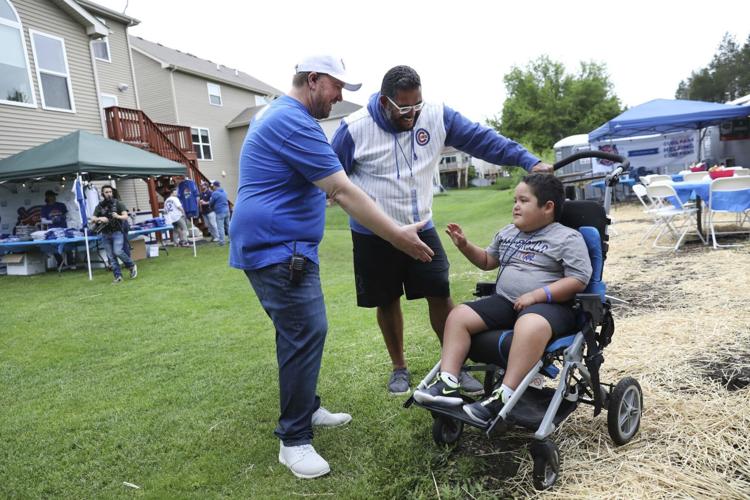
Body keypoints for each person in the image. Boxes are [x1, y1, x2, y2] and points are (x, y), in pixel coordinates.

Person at [229, 55, 434, 480]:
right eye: (337, 87)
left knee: (303, 331)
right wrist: (397, 235)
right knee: (304, 332)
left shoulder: (279, 113)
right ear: (313, 79)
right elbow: (341, 189)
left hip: (287, 246)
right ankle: (294, 440)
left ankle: (307, 406)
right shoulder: (294, 121)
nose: (340, 97)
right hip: (277, 247)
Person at [331, 65, 553, 395]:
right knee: (387, 300)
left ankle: (455, 364)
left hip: (421, 225)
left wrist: (527, 160)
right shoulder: (353, 130)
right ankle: (399, 368)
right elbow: (329, 178)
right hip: (373, 234)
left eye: (417, 105)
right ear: (384, 102)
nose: (412, 114)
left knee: (440, 292)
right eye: (404, 108)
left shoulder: (436, 116)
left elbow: (482, 140)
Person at [413, 174, 592, 426]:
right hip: (508, 302)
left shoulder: (567, 238)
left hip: (551, 307)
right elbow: (487, 261)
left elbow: (578, 279)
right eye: (514, 200)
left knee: (529, 325)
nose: (515, 206)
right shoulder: (509, 233)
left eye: (523, 200)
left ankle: (503, 395)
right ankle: (447, 383)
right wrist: (465, 246)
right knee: (458, 315)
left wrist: (537, 295)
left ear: (548, 207)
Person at [91, 185, 137, 283]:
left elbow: (125, 216)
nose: (109, 194)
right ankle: (118, 277)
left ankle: (131, 265)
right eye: (106, 192)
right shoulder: (99, 206)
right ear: (103, 194)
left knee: (118, 251)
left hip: (117, 232)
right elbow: (92, 219)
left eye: (110, 192)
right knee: (111, 256)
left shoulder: (118, 203)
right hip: (105, 234)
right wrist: (100, 219)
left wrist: (117, 216)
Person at [209, 181, 230, 246]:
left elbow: (211, 202)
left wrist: (211, 207)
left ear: (215, 186)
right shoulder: (224, 192)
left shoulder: (215, 193)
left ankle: (222, 242)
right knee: (228, 226)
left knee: (220, 227)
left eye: (213, 186)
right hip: (227, 210)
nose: (212, 187)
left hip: (219, 212)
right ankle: (231, 240)